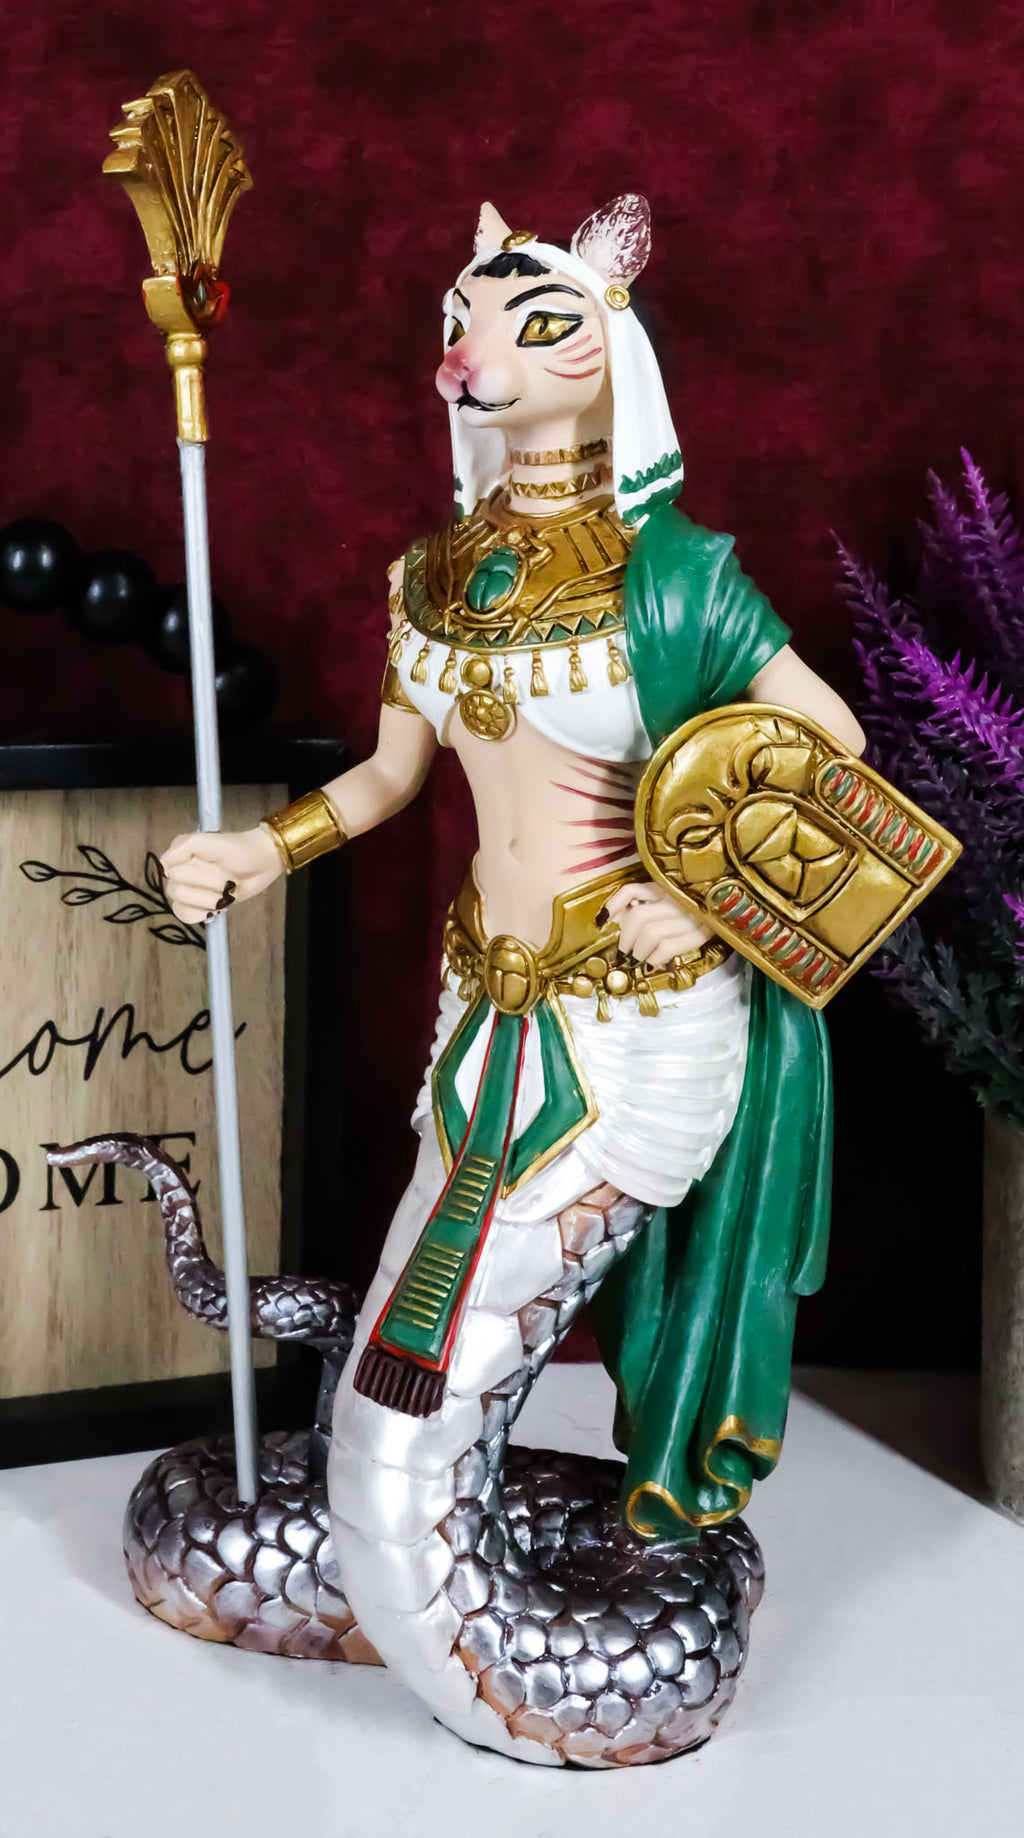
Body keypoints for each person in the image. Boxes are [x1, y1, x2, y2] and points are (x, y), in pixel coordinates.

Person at [159, 195, 865, 1763]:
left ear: (610, 353)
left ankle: (519, 1589)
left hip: (641, 1028)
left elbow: (832, 748)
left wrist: (713, 903)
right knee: (408, 1343)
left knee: (434, 1367)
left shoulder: (679, 577)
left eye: (531, 322)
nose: (472, 350)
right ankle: (419, 1558)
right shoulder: (434, 573)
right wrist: (260, 850)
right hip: (483, 1013)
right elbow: (390, 776)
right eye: (461, 320)